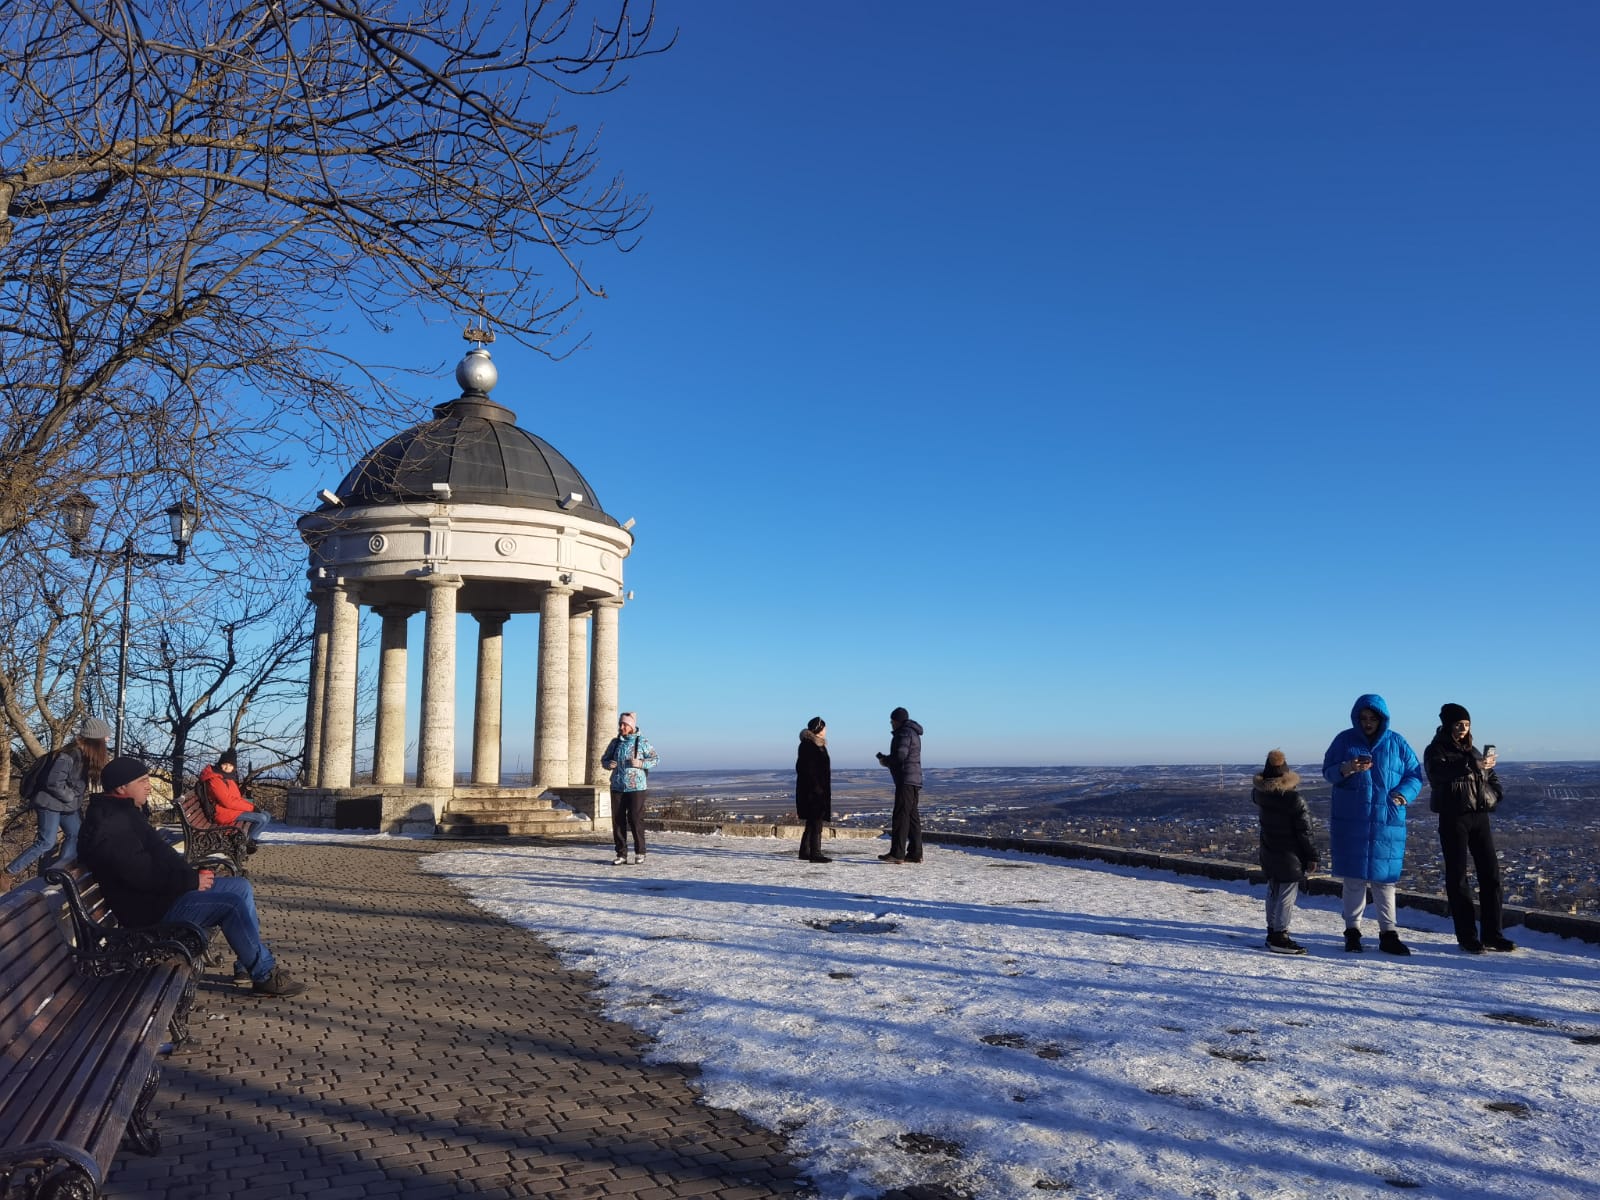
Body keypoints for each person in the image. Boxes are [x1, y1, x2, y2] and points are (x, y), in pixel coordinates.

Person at [76, 755, 305, 997]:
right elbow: (141, 875)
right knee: (232, 904)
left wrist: (193, 875)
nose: (148, 785)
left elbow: (160, 858)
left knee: (240, 886)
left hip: (161, 898)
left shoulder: (125, 813)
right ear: (122, 787)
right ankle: (265, 975)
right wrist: (191, 881)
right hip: (150, 912)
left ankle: (248, 965)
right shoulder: (111, 825)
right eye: (142, 780)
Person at [1321, 693, 1424, 955]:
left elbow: (1414, 774)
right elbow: (1328, 772)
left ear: (1382, 719)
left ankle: (1388, 933)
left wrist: (1402, 796)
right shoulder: (1344, 740)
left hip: (1386, 821)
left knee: (1384, 881)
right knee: (1354, 881)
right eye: (1363, 718)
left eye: (1372, 718)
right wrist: (1347, 768)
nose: (1367, 723)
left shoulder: (1397, 743)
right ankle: (1352, 931)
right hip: (1352, 820)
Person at [1424, 703, 1513, 954]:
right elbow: (1437, 774)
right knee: (1458, 877)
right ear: (1448, 725)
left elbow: (1491, 778)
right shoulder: (1436, 750)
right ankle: (1467, 936)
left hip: (1479, 816)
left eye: (1466, 725)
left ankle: (1493, 934)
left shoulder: (1473, 750)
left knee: (1491, 874)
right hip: (1454, 817)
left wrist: (1494, 795)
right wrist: (1470, 764)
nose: (1463, 729)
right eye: (1458, 724)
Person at [1, 716, 111, 887]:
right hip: (49, 803)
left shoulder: (83, 756)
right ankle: (8, 873)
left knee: (75, 834)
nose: (107, 740)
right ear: (94, 739)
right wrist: (71, 796)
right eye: (105, 737)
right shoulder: (68, 756)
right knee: (46, 842)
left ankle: (60, 871)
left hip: (66, 806)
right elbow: (53, 783)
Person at [1252, 749, 1319, 955]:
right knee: (1286, 896)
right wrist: (1312, 856)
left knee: (1273, 891)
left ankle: (1272, 931)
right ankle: (1280, 936)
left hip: (1269, 851)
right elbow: (1305, 831)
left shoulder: (1260, 795)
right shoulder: (1294, 799)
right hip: (1291, 856)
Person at [601, 712, 657, 865]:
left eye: (624, 725)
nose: (621, 727)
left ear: (631, 726)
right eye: (620, 724)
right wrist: (608, 764)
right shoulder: (615, 743)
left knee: (635, 819)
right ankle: (621, 853)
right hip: (618, 786)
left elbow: (655, 759)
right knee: (618, 820)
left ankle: (640, 852)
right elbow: (604, 759)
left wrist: (641, 763)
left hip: (637, 787)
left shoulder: (641, 741)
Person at [875, 706, 924, 864]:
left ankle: (897, 853)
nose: (891, 724)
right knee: (912, 816)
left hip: (906, 779)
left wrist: (886, 761)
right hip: (915, 779)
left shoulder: (903, 733)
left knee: (901, 816)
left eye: (892, 721)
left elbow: (900, 756)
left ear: (897, 721)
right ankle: (915, 853)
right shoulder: (914, 732)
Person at [196, 748, 270, 852]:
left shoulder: (228, 778)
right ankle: (247, 843)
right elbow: (227, 802)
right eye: (225, 764)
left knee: (266, 815)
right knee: (261, 818)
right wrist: (252, 808)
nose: (227, 767)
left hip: (229, 810)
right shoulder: (215, 779)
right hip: (220, 813)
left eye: (231, 765)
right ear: (220, 764)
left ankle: (251, 840)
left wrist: (252, 807)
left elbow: (237, 799)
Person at [795, 717, 833, 864]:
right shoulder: (808, 745)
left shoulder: (818, 745)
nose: (825, 730)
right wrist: (816, 787)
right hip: (812, 791)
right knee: (816, 821)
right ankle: (815, 853)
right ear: (818, 729)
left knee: (813, 821)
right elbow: (807, 769)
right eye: (823, 728)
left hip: (818, 789)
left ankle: (805, 851)